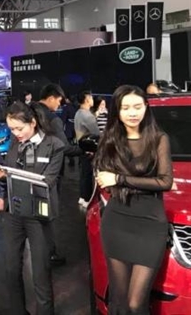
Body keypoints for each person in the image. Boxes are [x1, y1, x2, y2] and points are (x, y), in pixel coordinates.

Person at [94, 85, 172, 315]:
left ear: (146, 107)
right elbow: (103, 179)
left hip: (150, 224)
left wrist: (119, 178)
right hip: (117, 221)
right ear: (117, 111)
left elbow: (164, 182)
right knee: (118, 301)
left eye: (137, 106)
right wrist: (111, 179)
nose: (132, 113)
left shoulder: (159, 139)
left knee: (136, 303)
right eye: (125, 108)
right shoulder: (109, 140)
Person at [0, 101, 64, 315]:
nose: (16, 134)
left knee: (40, 272)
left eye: (19, 129)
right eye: (12, 129)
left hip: (39, 212)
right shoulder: (15, 143)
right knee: (11, 269)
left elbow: (48, 181)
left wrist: (11, 174)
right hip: (15, 210)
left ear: (33, 122)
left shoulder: (54, 145)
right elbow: (10, 170)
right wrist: (1, 174)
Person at [38, 83, 84, 266]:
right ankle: (49, 253)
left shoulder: (27, 113)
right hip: (50, 174)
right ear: (51, 97)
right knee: (47, 214)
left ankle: (40, 252)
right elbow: (63, 147)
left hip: (28, 173)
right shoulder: (52, 119)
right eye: (58, 100)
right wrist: (83, 150)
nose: (59, 105)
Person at [75, 90, 100, 207]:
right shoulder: (88, 115)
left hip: (81, 145)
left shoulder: (78, 113)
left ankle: (82, 196)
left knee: (84, 172)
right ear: (87, 100)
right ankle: (87, 198)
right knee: (89, 173)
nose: (93, 100)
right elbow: (96, 133)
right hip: (89, 147)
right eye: (91, 98)